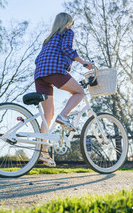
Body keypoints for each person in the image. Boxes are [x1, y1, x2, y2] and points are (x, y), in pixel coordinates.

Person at [34, 12, 93, 167]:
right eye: (71, 23)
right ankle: (64, 116)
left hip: (39, 75)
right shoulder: (67, 32)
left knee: (48, 114)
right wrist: (83, 62)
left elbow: (40, 58)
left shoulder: (48, 39)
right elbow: (66, 48)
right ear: (68, 23)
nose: (71, 25)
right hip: (54, 70)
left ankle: (43, 152)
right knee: (79, 92)